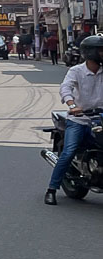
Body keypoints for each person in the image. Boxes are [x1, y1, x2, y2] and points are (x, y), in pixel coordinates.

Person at [45, 34, 103, 204]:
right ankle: (51, 189)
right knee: (69, 152)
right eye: (101, 51)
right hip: (80, 119)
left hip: (100, 118)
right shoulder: (76, 71)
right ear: (91, 52)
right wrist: (72, 105)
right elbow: (66, 88)